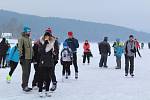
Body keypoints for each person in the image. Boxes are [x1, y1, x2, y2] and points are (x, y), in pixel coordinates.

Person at [37, 31, 56, 97]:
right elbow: (41, 51)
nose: (47, 37)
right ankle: (40, 91)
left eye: (48, 36)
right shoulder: (41, 42)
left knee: (48, 78)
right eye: (46, 36)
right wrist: (45, 43)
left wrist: (54, 54)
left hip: (50, 62)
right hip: (42, 62)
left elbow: (55, 51)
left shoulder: (52, 43)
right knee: (41, 77)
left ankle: (47, 91)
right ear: (44, 37)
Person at [18, 26, 33, 92]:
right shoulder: (21, 38)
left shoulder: (29, 39)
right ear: (25, 31)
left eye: (30, 31)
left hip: (29, 58)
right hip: (24, 58)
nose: (29, 32)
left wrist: (33, 56)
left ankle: (26, 84)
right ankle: (24, 86)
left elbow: (31, 49)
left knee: (28, 72)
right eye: (28, 31)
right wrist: (21, 57)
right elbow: (20, 48)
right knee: (25, 72)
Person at [45, 28, 59, 92]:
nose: (47, 34)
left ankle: (54, 83)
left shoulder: (54, 40)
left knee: (51, 72)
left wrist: (56, 58)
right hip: (45, 59)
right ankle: (46, 84)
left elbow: (56, 50)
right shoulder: (44, 39)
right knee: (45, 72)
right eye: (46, 32)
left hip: (52, 59)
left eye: (48, 32)